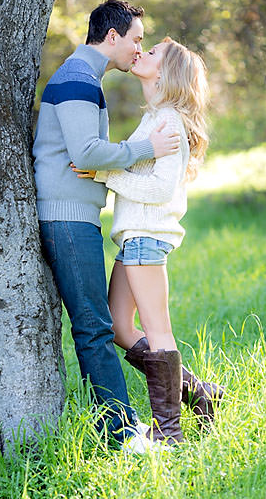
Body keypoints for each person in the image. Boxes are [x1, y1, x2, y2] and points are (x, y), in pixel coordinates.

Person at [32, 0, 180, 453]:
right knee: (95, 327)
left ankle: (135, 425)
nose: (138, 49)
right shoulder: (78, 80)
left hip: (75, 217)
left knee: (96, 324)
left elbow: (89, 156)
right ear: (111, 36)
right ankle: (122, 435)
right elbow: (87, 154)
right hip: (67, 218)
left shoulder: (83, 78)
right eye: (136, 39)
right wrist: (146, 149)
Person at [74, 37, 225, 443]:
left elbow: (159, 190)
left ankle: (169, 436)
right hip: (133, 240)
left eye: (153, 52)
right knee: (121, 327)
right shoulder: (155, 117)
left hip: (147, 239)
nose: (143, 52)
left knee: (158, 333)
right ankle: (201, 394)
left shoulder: (169, 121)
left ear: (165, 72)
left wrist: (106, 174)